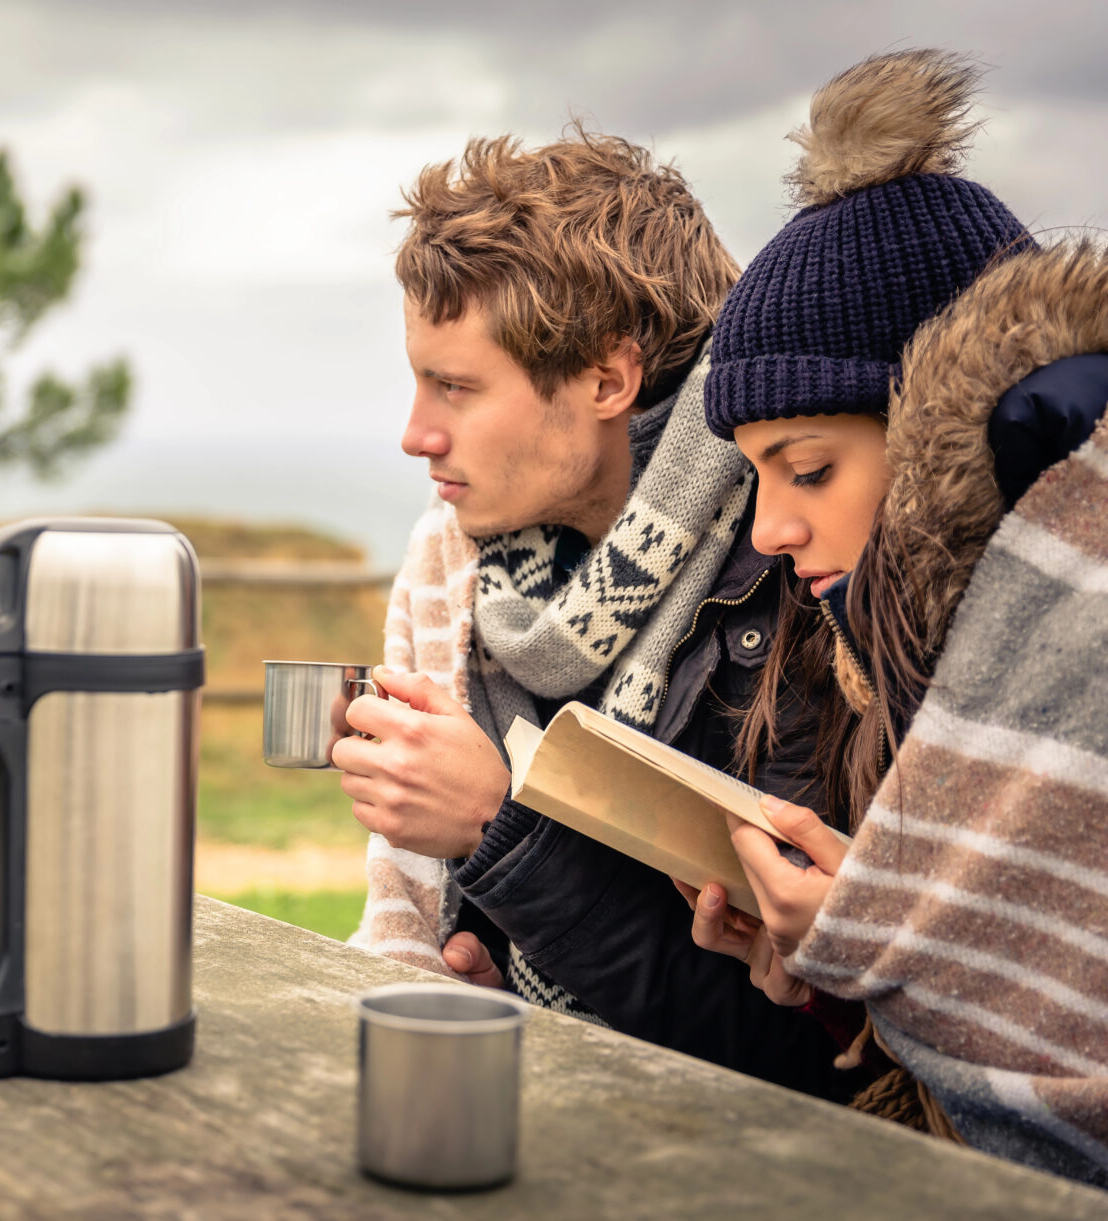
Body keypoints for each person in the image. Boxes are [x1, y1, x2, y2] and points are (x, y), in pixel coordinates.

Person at [339, 127, 866, 1100]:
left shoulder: (805, 571)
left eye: (454, 386)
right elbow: (429, 928)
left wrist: (498, 823)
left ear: (607, 380)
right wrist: (487, 981)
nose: (417, 434)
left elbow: (817, 1045)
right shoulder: (459, 558)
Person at [690, 49, 1108, 1188]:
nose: (769, 530)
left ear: (937, 448)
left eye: (809, 470)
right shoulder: (884, 670)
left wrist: (879, 949)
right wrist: (832, 982)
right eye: (754, 478)